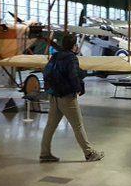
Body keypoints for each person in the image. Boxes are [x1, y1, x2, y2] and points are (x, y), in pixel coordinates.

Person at [40, 34, 103, 163]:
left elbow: (46, 71)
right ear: (74, 46)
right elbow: (73, 75)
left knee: (50, 126)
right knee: (78, 125)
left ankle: (44, 153)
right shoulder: (71, 58)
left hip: (53, 96)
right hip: (67, 97)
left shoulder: (56, 56)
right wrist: (78, 88)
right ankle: (89, 153)